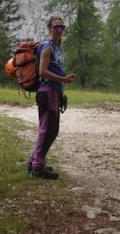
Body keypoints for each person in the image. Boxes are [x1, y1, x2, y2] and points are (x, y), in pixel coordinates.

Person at [27, 16, 76, 179]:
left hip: (54, 91)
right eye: (56, 27)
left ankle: (35, 160)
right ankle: (37, 167)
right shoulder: (47, 47)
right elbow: (42, 71)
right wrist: (64, 80)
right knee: (46, 129)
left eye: (62, 27)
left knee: (52, 130)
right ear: (49, 28)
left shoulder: (57, 46)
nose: (59, 30)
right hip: (47, 91)